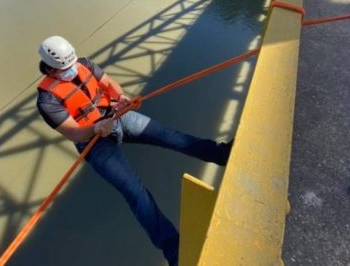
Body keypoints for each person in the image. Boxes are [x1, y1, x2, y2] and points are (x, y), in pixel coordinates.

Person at [36, 35, 233, 266]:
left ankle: (220, 153)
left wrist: (121, 99)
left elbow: (109, 84)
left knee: (170, 137)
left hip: (118, 116)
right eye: (65, 69)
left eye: (72, 65)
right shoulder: (47, 100)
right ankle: (176, 252)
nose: (72, 70)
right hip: (93, 140)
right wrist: (97, 128)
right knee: (135, 192)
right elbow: (74, 133)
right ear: (50, 69)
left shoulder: (85, 64)